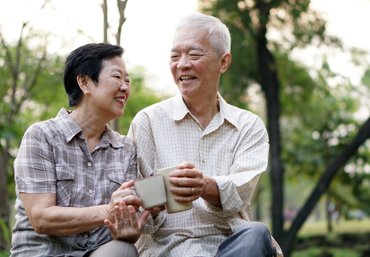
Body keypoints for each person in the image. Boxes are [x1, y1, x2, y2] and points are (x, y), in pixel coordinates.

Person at [128, 13, 283, 257]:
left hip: (233, 242)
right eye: (175, 56)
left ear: (223, 62)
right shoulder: (147, 121)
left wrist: (203, 186)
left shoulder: (248, 125)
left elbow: (241, 192)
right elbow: (137, 209)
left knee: (257, 232)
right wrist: (153, 204)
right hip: (169, 245)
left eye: (194, 54)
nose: (182, 64)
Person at [10, 43, 149, 257]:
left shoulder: (126, 148)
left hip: (99, 253)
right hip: (42, 253)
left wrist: (129, 228)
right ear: (84, 82)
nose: (125, 87)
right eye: (117, 77)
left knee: (124, 249)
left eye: (127, 80)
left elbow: (123, 232)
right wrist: (108, 211)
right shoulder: (41, 136)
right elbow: (41, 217)